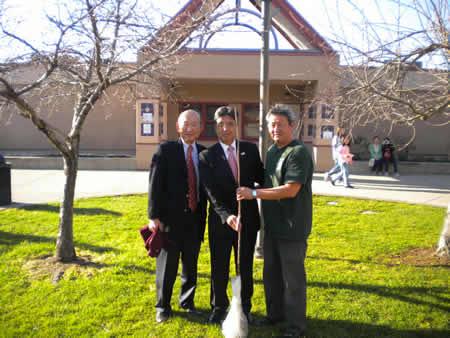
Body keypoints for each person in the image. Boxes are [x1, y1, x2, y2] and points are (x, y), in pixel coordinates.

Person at [237, 105, 313, 337]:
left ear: (292, 126)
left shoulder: (298, 152)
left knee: (293, 281)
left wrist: (254, 193)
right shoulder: (272, 151)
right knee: (271, 275)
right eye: (271, 124)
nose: (275, 128)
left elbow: (290, 190)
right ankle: (275, 315)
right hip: (271, 226)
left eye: (280, 124)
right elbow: (268, 182)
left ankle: (295, 326)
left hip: (292, 227)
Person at [199, 106, 264, 324]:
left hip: (247, 221)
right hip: (221, 221)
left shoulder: (250, 149)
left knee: (243, 265)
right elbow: (211, 194)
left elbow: (262, 179)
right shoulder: (207, 156)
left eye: (230, 124)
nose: (225, 129)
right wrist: (227, 216)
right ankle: (219, 306)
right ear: (215, 126)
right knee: (219, 265)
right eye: (220, 125)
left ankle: (244, 306)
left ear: (237, 126)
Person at [148, 109, 207, 323]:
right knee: (167, 266)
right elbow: (154, 184)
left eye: (194, 124)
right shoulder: (166, 150)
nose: (189, 128)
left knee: (190, 265)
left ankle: (187, 302)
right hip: (169, 221)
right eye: (185, 124)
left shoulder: (203, 153)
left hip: (195, 219)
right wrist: (153, 216)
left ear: (200, 128)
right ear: (178, 127)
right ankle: (162, 306)